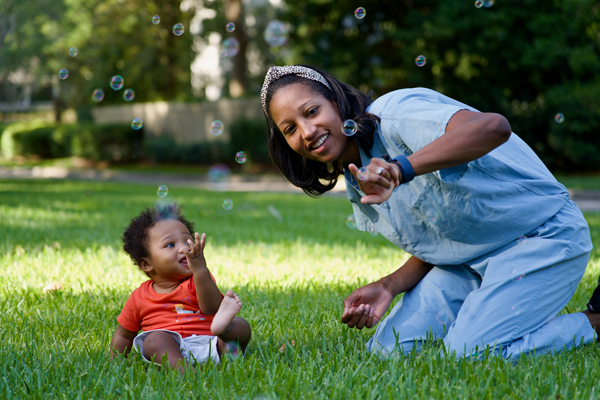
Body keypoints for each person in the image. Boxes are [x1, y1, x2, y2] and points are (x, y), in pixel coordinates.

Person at [261, 64, 600, 359]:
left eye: (311, 112)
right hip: (471, 259)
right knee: (389, 350)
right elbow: (439, 236)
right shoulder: (357, 173)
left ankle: (595, 321)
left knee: (471, 353)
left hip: (541, 236)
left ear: (335, 103)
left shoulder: (394, 114)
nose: (306, 132)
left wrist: (401, 168)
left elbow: (494, 126)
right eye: (290, 128)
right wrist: (389, 285)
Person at [109, 203, 251, 371]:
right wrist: (115, 362)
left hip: (212, 343)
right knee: (154, 340)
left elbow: (212, 308)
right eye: (170, 245)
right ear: (146, 264)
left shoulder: (198, 279)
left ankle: (223, 332)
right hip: (170, 350)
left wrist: (200, 269)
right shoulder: (139, 297)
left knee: (241, 325)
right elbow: (123, 335)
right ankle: (183, 371)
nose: (184, 248)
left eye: (187, 240)